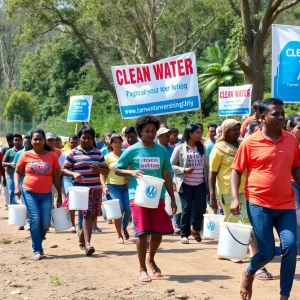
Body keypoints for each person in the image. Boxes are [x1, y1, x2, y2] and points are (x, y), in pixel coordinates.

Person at [230, 98, 300, 300]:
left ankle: (284, 296)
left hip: (286, 203)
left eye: (282, 113)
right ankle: (249, 272)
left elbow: (296, 168)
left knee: (290, 246)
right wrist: (235, 198)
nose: (281, 117)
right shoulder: (250, 142)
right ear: (262, 117)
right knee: (267, 252)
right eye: (275, 114)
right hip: (259, 203)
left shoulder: (291, 140)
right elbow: (236, 170)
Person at [115, 115, 176, 283]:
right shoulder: (132, 150)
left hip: (158, 196)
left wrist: (172, 197)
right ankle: (142, 268)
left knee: (157, 233)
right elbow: (118, 169)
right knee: (142, 233)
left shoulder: (162, 150)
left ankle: (151, 259)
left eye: (153, 131)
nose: (150, 134)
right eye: (146, 131)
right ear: (140, 132)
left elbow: (166, 174)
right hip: (137, 196)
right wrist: (131, 172)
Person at [14, 129, 62, 261]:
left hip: (46, 194)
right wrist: (17, 187)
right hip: (29, 192)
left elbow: (56, 176)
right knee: (35, 219)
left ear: (44, 140)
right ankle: (36, 249)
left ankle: (38, 243)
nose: (38, 141)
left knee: (46, 223)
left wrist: (60, 195)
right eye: (35, 139)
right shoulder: (25, 155)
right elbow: (17, 172)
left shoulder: (52, 156)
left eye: (40, 139)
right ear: (31, 140)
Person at [62, 125, 109, 256]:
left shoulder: (98, 153)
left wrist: (99, 170)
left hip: (96, 189)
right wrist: (73, 174)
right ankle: (88, 244)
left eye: (89, 138)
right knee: (87, 214)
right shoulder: (73, 153)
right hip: (81, 190)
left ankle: (82, 236)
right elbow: (63, 169)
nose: (86, 140)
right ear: (79, 138)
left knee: (94, 215)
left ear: (93, 139)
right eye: (84, 138)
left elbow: (106, 170)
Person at [171, 124, 208, 244]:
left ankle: (195, 229)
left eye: (200, 132)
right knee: (186, 209)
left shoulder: (202, 147)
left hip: (200, 183)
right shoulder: (180, 148)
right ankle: (184, 234)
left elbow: (206, 167)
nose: (200, 134)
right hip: (185, 183)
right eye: (197, 132)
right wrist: (183, 170)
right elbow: (171, 165)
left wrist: (209, 185)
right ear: (190, 134)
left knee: (201, 207)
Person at [101, 134, 131, 243]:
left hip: (126, 186)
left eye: (119, 142)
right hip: (112, 186)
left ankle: (124, 227)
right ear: (111, 144)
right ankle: (119, 234)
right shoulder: (108, 157)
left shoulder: (126, 154)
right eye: (115, 142)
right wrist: (103, 185)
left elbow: (131, 167)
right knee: (119, 209)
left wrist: (128, 177)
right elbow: (102, 172)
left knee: (128, 209)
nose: (117, 144)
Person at [59, 135, 79, 233]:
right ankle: (72, 224)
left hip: (81, 180)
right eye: (72, 142)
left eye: (75, 142)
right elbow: (61, 170)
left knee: (80, 203)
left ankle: (81, 223)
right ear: (69, 143)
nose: (73, 144)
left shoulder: (82, 154)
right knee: (71, 201)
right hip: (68, 180)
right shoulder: (64, 154)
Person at [13, 135, 32, 230]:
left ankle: (28, 222)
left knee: (28, 202)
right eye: (25, 142)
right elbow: (15, 166)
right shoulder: (20, 153)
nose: (26, 144)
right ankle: (22, 222)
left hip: (32, 182)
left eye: (28, 142)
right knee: (22, 202)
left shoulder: (35, 154)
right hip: (21, 180)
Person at [289, 116, 300, 260]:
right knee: (297, 213)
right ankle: (297, 248)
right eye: (299, 128)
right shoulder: (288, 144)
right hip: (291, 183)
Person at [3, 133, 23, 207]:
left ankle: (22, 210)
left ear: (22, 141)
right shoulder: (9, 151)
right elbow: (3, 163)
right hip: (11, 176)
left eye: (18, 140)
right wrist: (11, 164)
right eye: (15, 140)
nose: (16, 142)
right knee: (11, 192)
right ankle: (12, 209)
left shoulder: (25, 151)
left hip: (22, 176)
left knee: (22, 193)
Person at [1, 133, 13, 209]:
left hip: (15, 171)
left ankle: (12, 202)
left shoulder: (18, 148)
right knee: (6, 188)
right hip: (6, 170)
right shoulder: (4, 149)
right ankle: (6, 203)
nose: (10, 142)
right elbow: (2, 161)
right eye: (8, 141)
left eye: (11, 140)